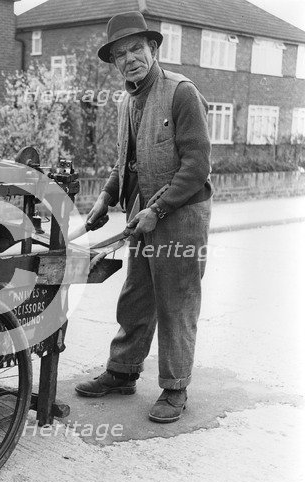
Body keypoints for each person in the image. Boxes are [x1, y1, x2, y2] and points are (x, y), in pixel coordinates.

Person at [74, 11, 213, 423]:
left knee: (176, 303)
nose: (129, 58)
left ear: (153, 49)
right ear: (115, 62)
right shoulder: (125, 101)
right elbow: (125, 163)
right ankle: (122, 373)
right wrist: (105, 197)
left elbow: (196, 165)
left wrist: (159, 209)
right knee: (136, 296)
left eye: (136, 48)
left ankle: (175, 388)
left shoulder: (181, 93)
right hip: (144, 217)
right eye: (120, 53)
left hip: (181, 216)